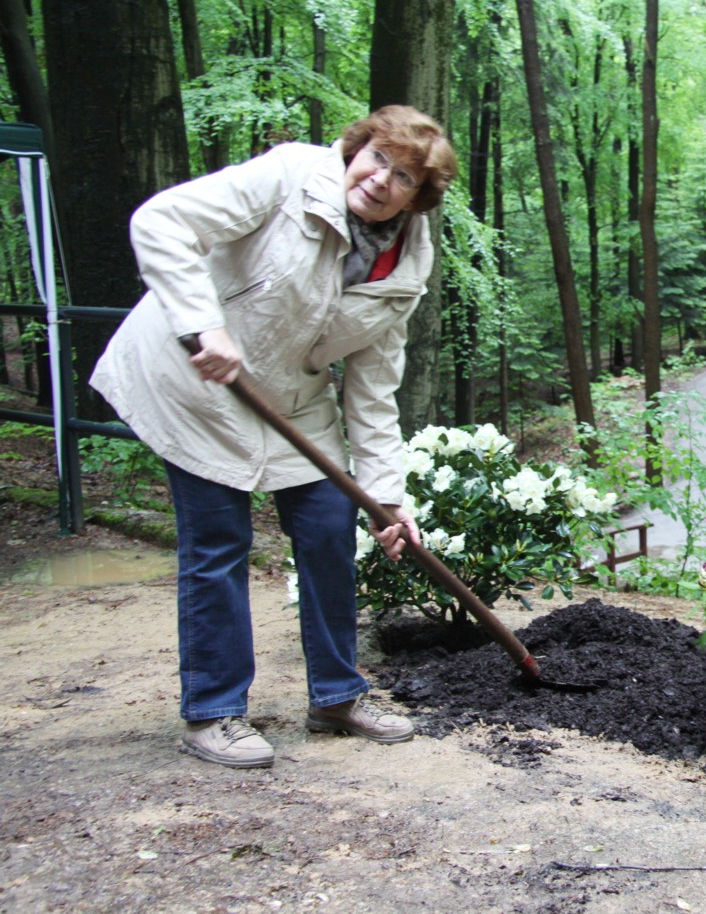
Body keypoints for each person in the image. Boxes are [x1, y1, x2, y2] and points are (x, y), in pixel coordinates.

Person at [92, 106, 458, 768]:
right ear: (356, 150)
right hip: (198, 378)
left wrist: (387, 495)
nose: (381, 180)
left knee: (326, 530)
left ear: (418, 199)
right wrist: (203, 325)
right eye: (377, 157)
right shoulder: (288, 177)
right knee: (218, 542)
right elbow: (160, 222)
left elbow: (373, 388)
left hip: (291, 399)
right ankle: (214, 712)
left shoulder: (406, 270)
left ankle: (337, 696)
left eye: (403, 177)